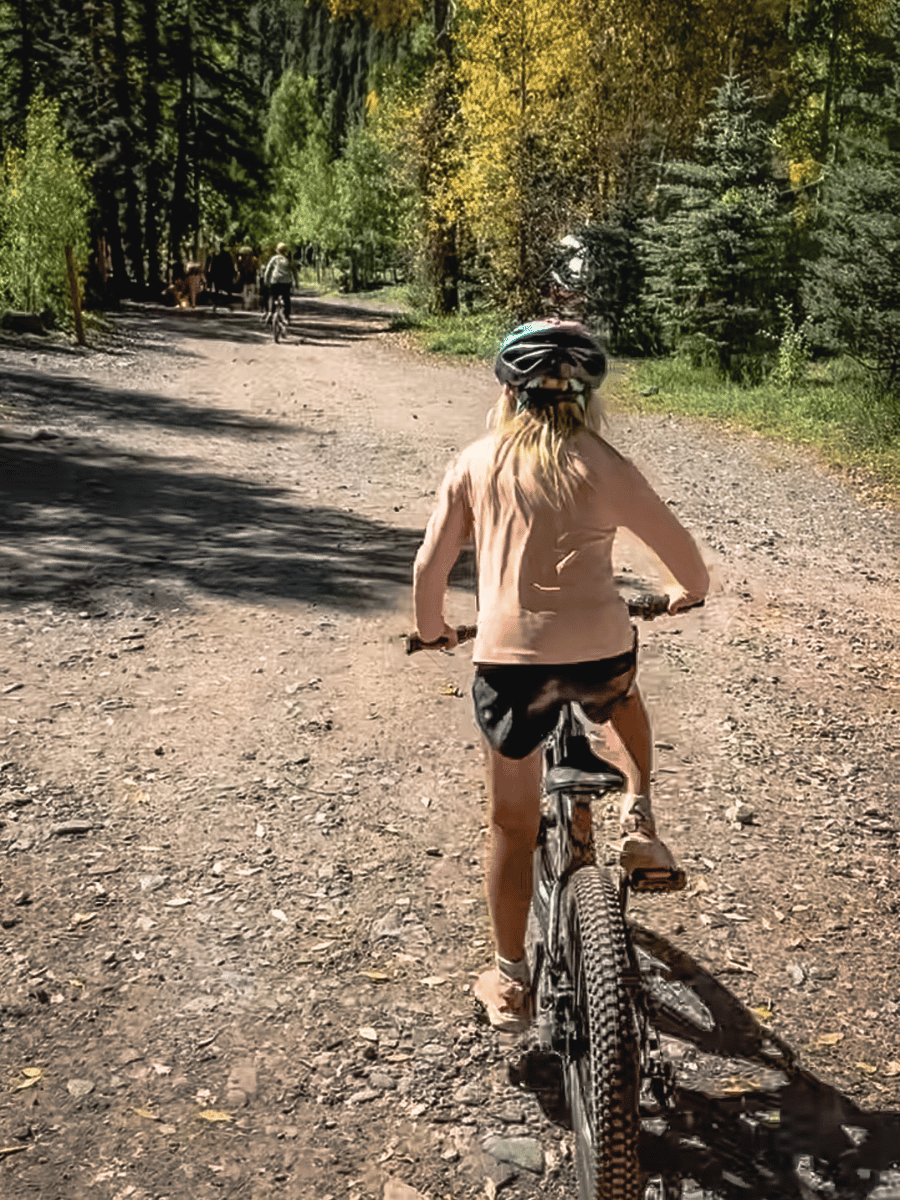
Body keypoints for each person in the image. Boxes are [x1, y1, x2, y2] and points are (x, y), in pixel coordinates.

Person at [412, 320, 709, 1032]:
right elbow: (690, 567)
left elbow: (429, 569)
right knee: (622, 693)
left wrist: (433, 630)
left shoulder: (477, 461)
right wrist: (680, 596)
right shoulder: (606, 465)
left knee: (512, 828)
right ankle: (638, 816)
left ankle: (512, 977)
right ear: (585, 396)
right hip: (597, 654)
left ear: (509, 392)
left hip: (514, 668)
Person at [262, 243, 294, 323]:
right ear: (286, 251)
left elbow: (268, 270)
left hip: (275, 281)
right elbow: (294, 271)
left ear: (277, 250)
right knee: (286, 298)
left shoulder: (274, 258)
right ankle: (287, 316)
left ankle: (270, 313)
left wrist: (266, 281)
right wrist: (295, 283)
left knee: (273, 296)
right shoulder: (288, 259)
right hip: (286, 282)